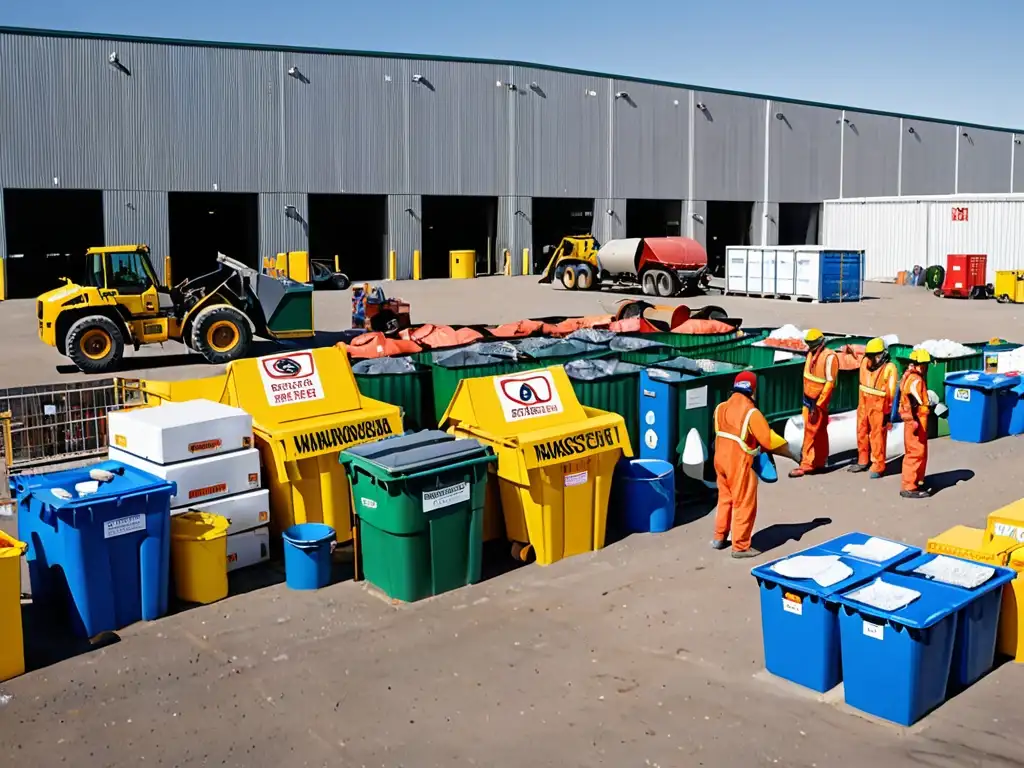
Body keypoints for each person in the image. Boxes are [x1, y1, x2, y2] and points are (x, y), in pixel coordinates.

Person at [711, 371, 785, 558]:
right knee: (744, 502)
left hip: (720, 460)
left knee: (725, 499)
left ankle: (719, 537)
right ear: (752, 389)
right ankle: (741, 546)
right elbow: (768, 441)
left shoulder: (720, 408)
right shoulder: (751, 413)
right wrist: (792, 453)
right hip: (739, 463)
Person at [789, 329, 839, 478]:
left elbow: (830, 383)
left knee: (811, 432)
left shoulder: (829, 357)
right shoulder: (811, 354)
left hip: (817, 402)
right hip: (809, 399)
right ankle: (819, 461)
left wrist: (819, 404)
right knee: (819, 432)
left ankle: (807, 464)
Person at [848, 338, 898, 478]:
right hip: (863, 402)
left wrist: (888, 415)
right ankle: (863, 460)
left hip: (879, 406)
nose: (871, 359)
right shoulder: (865, 362)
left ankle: (878, 465)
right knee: (861, 431)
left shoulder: (889, 368)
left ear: (882, 355)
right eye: (870, 356)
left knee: (877, 436)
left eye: (874, 356)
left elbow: (891, 394)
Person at [899, 349, 932, 498]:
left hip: (914, 422)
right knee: (915, 453)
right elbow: (914, 400)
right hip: (916, 422)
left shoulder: (909, 377)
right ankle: (909, 486)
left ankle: (916, 481)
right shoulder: (916, 380)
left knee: (918, 453)